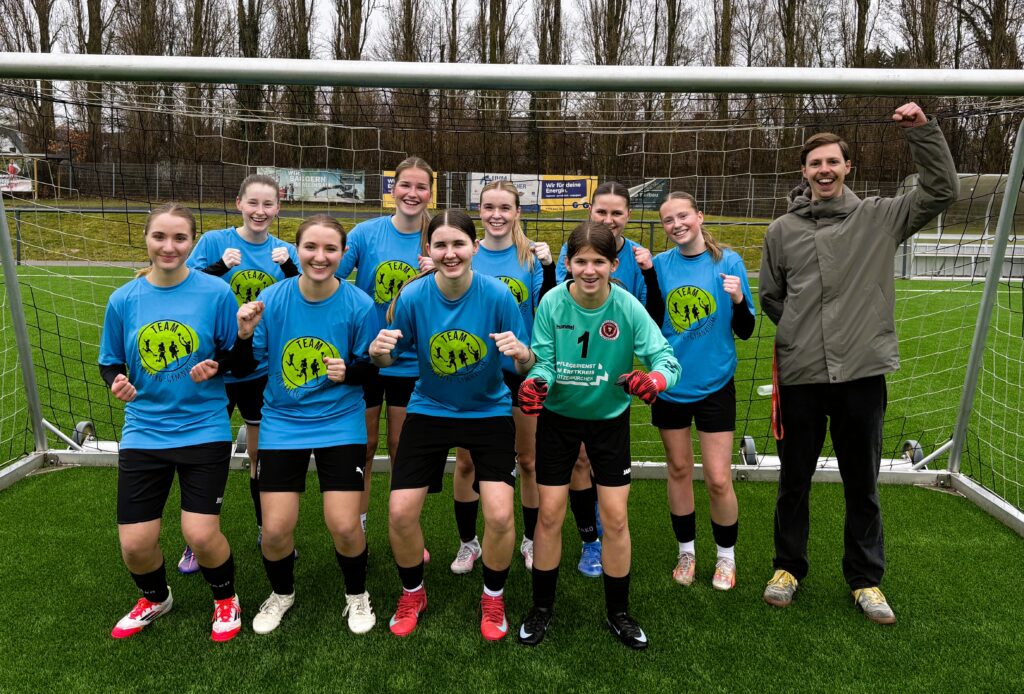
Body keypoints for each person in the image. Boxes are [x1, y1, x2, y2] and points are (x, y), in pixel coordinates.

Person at [759, 102, 958, 624]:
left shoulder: (880, 216)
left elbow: (942, 191)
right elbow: (771, 296)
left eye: (832, 162)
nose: (823, 170)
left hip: (862, 376)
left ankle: (866, 580)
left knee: (862, 484)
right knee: (793, 481)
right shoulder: (781, 230)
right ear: (803, 172)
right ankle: (787, 568)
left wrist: (924, 133)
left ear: (847, 167)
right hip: (801, 375)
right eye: (814, 164)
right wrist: (805, 331)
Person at [369, 209, 531, 641]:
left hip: (489, 411)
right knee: (400, 512)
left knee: (498, 514)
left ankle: (493, 596)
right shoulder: (414, 296)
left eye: (458, 244)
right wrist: (379, 352)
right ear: (428, 251)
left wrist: (520, 354)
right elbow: (388, 359)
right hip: (431, 408)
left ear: (474, 248)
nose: (450, 253)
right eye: (440, 245)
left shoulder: (498, 296)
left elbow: (529, 362)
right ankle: (412, 592)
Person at [517, 221, 680, 650]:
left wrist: (656, 382)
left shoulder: (626, 306)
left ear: (612, 264)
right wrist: (538, 383)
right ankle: (541, 608)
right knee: (549, 516)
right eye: (581, 261)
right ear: (568, 263)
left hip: (610, 421)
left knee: (616, 518)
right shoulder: (552, 302)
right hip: (559, 419)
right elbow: (544, 362)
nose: (589, 270)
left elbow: (665, 357)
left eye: (599, 262)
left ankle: (619, 613)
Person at [98, 203, 244, 642]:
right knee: (135, 544)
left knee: (200, 534)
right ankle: (155, 596)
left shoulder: (216, 293)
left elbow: (238, 357)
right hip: (145, 429)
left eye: (180, 238)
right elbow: (110, 362)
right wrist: (117, 382)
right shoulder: (124, 299)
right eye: (159, 236)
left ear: (193, 242)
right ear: (145, 239)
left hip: (204, 427)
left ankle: (225, 598)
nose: (169, 246)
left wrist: (216, 365)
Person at [233, 215, 380, 636]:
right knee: (276, 528)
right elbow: (245, 368)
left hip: (339, 423)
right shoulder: (271, 299)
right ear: (297, 250)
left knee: (345, 524)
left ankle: (356, 595)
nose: (320, 256)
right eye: (310, 247)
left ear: (342, 253)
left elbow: (370, 371)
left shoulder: (358, 303)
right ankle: (281, 594)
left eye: (330, 249)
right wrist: (244, 336)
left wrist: (347, 373)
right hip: (283, 423)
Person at [178, 173, 299, 572]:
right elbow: (185, 286)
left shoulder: (284, 250)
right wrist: (215, 266)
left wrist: (290, 268)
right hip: (212, 365)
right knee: (204, 452)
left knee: (260, 455)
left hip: (259, 367)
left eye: (269, 205)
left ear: (278, 208)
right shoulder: (214, 241)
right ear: (238, 203)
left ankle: (267, 528)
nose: (260, 211)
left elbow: (303, 297)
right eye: (253, 203)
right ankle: (198, 540)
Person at [640, 191, 755, 590]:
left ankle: (726, 558)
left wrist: (739, 300)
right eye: (668, 220)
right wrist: (650, 277)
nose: (677, 225)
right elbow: (651, 324)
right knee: (679, 470)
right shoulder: (658, 266)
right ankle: (686, 551)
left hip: (715, 385)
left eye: (683, 216)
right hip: (670, 385)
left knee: (719, 479)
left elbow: (745, 329)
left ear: (699, 216)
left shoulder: (730, 262)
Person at [449, 181, 556, 575]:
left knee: (527, 461)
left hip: (518, 374)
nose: (496, 215)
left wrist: (548, 270)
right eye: (489, 207)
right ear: (479, 210)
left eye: (505, 208)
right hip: (473, 373)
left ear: (517, 212)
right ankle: (467, 543)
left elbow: (546, 312)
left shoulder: (530, 258)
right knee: (466, 463)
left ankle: (529, 540)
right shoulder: (467, 255)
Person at [553, 181, 653, 577]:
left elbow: (645, 317)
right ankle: (589, 540)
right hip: (573, 375)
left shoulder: (639, 260)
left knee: (605, 465)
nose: (608, 219)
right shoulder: (573, 250)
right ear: (590, 212)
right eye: (601, 212)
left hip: (612, 377)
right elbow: (556, 302)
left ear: (628, 216)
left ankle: (609, 532)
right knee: (578, 459)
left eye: (617, 213)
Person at [336, 157, 434, 555]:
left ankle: (404, 527)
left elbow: (461, 287)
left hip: (412, 361)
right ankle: (358, 526)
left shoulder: (437, 236)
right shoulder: (364, 233)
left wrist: (439, 272)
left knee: (400, 447)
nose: (412, 194)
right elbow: (331, 277)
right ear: (393, 189)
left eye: (421, 187)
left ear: (430, 192)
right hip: (365, 356)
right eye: (404, 185)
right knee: (363, 443)